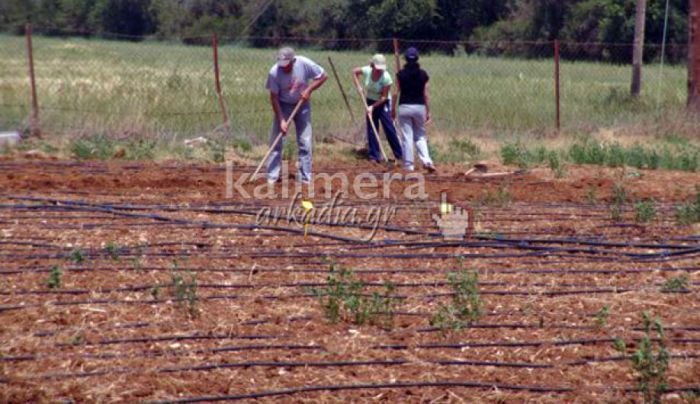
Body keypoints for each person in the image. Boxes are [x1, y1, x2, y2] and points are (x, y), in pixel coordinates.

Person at [265, 47, 327, 184]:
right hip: (283, 106)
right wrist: (281, 119)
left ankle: (305, 178)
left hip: (302, 105)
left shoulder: (304, 63)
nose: (283, 68)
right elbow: (274, 98)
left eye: (286, 65)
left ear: (293, 61)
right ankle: (272, 176)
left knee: (305, 141)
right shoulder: (274, 72)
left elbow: (323, 76)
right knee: (276, 140)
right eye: (282, 65)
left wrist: (309, 89)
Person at [392, 47, 436, 173]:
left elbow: (395, 93)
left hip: (404, 107)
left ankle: (409, 165)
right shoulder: (423, 74)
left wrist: (393, 109)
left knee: (407, 136)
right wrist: (428, 111)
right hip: (419, 107)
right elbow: (426, 94)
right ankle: (427, 160)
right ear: (417, 59)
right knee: (420, 135)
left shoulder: (400, 75)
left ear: (405, 59)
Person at [353, 54, 403, 163]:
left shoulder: (386, 77)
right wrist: (358, 87)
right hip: (369, 100)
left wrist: (372, 107)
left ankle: (399, 155)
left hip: (382, 102)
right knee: (372, 128)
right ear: (373, 65)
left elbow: (384, 97)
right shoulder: (367, 70)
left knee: (388, 127)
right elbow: (355, 72)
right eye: (377, 68)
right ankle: (374, 156)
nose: (379, 70)